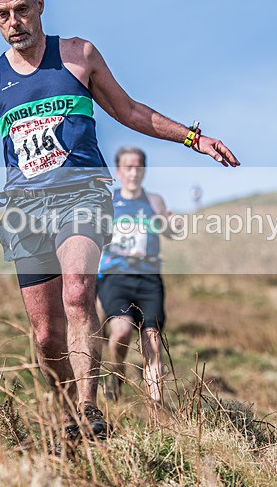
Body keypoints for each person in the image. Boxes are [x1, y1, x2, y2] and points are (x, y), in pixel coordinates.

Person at [0, 0, 240, 443]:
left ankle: (88, 410)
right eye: (2, 15)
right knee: (47, 335)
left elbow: (129, 111)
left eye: (22, 9)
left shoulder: (78, 56)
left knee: (77, 294)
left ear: (40, 5)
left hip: (82, 195)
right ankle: (68, 411)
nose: (14, 22)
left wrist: (194, 138)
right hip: (26, 210)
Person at [97, 146, 176, 407]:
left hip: (149, 278)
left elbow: (169, 232)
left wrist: (173, 225)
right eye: (128, 167)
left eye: (138, 167)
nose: (133, 172)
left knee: (152, 341)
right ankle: (117, 370)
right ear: (119, 172)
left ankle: (157, 411)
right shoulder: (108, 201)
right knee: (120, 332)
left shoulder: (154, 201)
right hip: (115, 276)